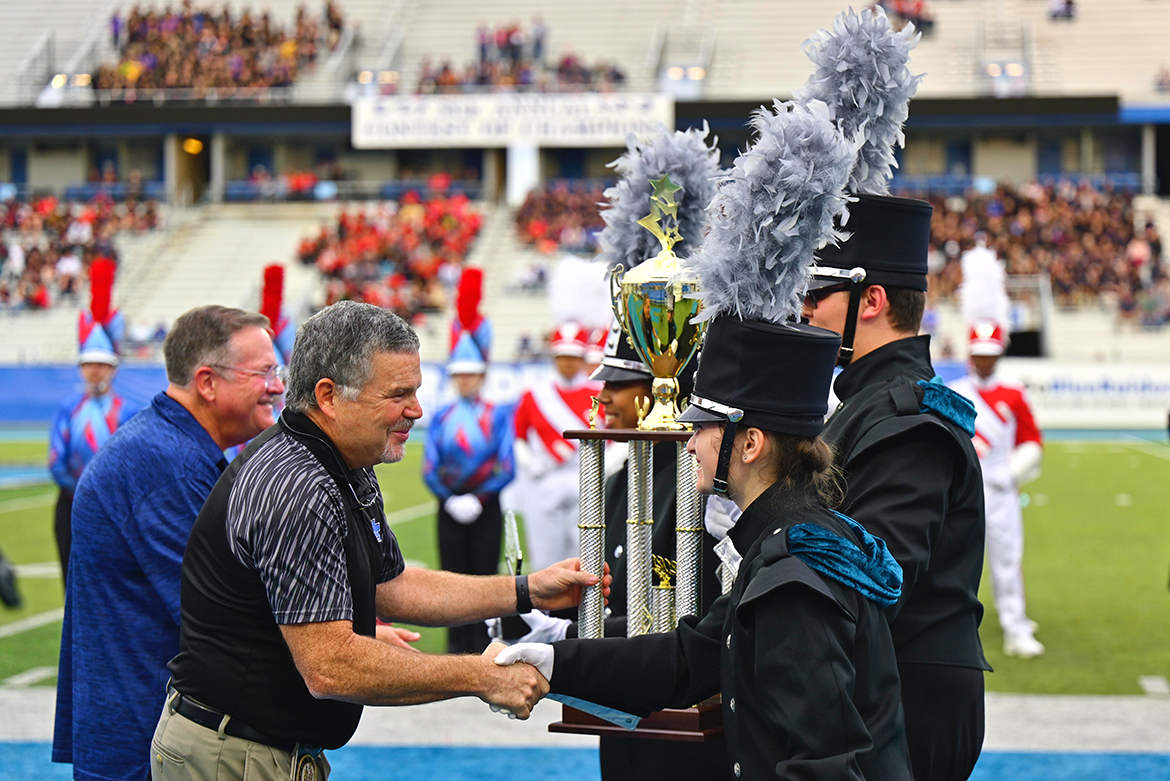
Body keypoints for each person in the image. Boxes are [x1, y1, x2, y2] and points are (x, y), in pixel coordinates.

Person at [158, 301, 606, 780]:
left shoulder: (345, 459)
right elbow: (331, 666)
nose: (416, 410)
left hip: (261, 746)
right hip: (234, 751)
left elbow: (391, 587)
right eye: (398, 394)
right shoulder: (298, 484)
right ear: (329, 396)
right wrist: (479, 675)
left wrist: (525, 590)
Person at [498, 318, 912, 780]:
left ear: (750, 444)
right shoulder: (782, 543)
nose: (689, 443)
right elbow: (688, 658)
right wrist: (556, 659)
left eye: (703, 428)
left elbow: (825, 762)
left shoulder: (793, 572)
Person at [53, 305, 286, 781]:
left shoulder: (171, 448)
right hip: (147, 741)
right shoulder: (164, 465)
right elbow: (223, 615)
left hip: (150, 730)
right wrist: (335, 636)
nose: (278, 386)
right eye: (264, 372)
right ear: (207, 383)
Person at [804, 194, 989, 781]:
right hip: (887, 685)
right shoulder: (867, 403)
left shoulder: (905, 417)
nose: (804, 310)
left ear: (872, 301)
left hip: (910, 694)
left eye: (817, 295)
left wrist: (767, 524)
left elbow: (882, 576)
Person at [949, 320, 1045, 658]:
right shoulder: (956, 391)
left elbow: (1032, 441)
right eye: (979, 354)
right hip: (963, 490)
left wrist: (1012, 470)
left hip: (1001, 490)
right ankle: (951, 626)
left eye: (990, 355)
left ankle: (1015, 626)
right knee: (953, 561)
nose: (984, 361)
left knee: (1008, 560)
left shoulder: (1014, 392)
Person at [424, 319, 516, 653]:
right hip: (448, 508)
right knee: (449, 578)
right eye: (459, 375)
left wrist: (479, 498)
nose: (465, 381)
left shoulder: (498, 415)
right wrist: (449, 499)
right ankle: (456, 647)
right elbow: (429, 468)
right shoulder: (441, 416)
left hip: (486, 507)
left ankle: (485, 644)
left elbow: (507, 467)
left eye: (471, 375)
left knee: (485, 578)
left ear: (482, 376)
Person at [48, 257, 137, 582]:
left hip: (113, 513)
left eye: (101, 364)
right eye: (88, 364)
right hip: (70, 507)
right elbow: (56, 461)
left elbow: (130, 465)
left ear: (113, 367)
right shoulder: (68, 409)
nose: (94, 370)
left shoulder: (127, 412)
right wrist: (82, 492)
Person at [512, 322, 598, 569]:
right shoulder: (534, 394)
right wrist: (530, 462)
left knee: (585, 556)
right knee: (544, 556)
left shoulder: (599, 393)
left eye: (573, 356)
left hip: (585, 480)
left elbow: (614, 442)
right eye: (562, 356)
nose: (568, 363)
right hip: (545, 479)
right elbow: (519, 437)